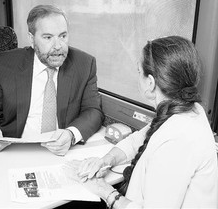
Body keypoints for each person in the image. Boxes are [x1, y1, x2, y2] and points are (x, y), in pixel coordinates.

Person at [71, 36, 218, 208]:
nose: (137, 77)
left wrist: (104, 190)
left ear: (150, 83)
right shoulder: (186, 110)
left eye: (139, 72)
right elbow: (137, 140)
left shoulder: (177, 141)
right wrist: (105, 160)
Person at [0, 5, 104, 155]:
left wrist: (71, 134)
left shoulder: (84, 64)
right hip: (14, 150)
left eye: (63, 36)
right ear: (32, 39)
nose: (58, 46)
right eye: (48, 37)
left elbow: (93, 111)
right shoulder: (4, 64)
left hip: (61, 151)